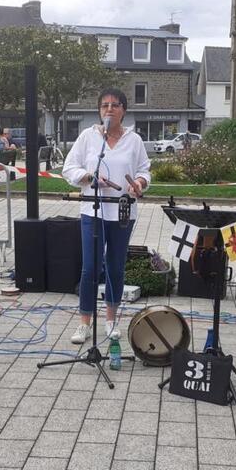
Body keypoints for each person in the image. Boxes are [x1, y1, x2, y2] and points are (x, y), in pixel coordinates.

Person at [62, 88, 151, 344]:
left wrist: (140, 182)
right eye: (104, 105)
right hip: (93, 210)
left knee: (115, 267)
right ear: (99, 110)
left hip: (122, 211)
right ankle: (84, 323)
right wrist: (89, 177)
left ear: (123, 109)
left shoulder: (133, 140)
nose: (109, 109)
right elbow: (69, 168)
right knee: (90, 268)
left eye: (114, 105)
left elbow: (145, 169)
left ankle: (111, 320)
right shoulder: (88, 137)